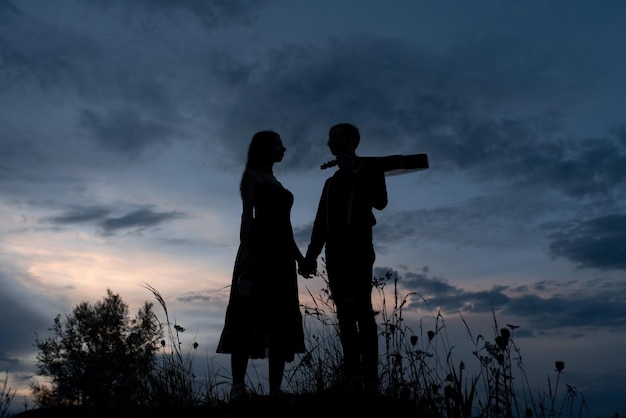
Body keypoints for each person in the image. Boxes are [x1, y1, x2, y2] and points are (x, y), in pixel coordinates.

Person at [216, 130, 306, 401]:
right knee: (246, 315)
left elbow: (286, 227)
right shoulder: (252, 176)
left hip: (281, 257)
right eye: (279, 144)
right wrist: (245, 250)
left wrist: (300, 258)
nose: (284, 149)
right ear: (265, 147)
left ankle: (275, 389)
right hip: (259, 251)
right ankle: (237, 388)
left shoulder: (275, 180)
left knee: (280, 318)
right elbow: (246, 216)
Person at [300, 123, 388, 395]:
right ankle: (352, 378)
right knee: (345, 314)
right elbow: (320, 224)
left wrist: (354, 171)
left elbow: (380, 201)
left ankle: (371, 382)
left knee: (362, 309)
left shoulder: (370, 170)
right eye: (329, 139)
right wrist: (310, 257)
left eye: (334, 137)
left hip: (360, 250)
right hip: (335, 253)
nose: (330, 144)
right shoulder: (330, 183)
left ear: (351, 140)